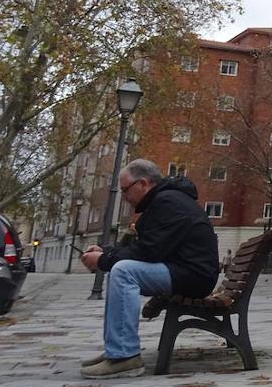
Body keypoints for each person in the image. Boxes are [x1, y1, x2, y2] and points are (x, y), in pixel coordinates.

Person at [79, 159, 219, 379]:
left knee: (123, 271)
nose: (124, 196)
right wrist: (105, 251)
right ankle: (116, 350)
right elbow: (147, 247)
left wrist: (104, 259)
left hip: (194, 276)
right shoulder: (165, 200)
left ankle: (124, 356)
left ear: (143, 183)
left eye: (125, 190)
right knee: (121, 268)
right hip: (184, 270)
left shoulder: (168, 202)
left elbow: (148, 251)